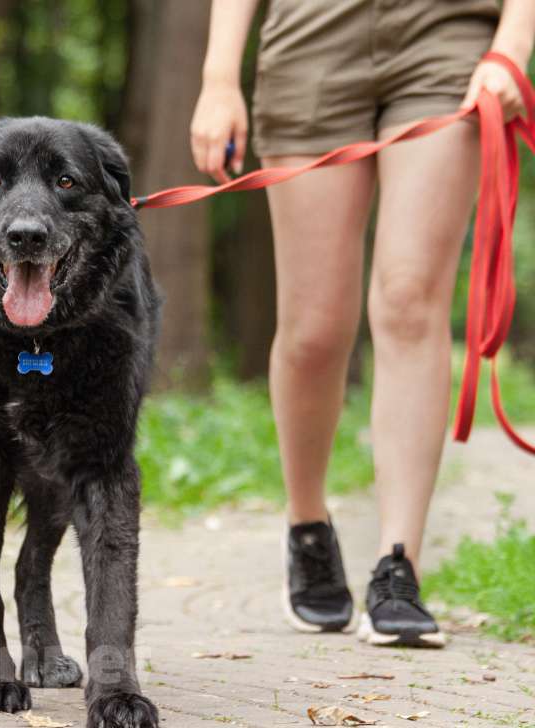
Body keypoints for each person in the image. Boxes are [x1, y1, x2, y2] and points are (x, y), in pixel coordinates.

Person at [190, 0, 535, 647]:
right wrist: (217, 79)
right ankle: (308, 525)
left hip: (449, 33)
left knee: (409, 299)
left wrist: (514, 41)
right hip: (311, 37)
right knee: (314, 327)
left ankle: (398, 563)